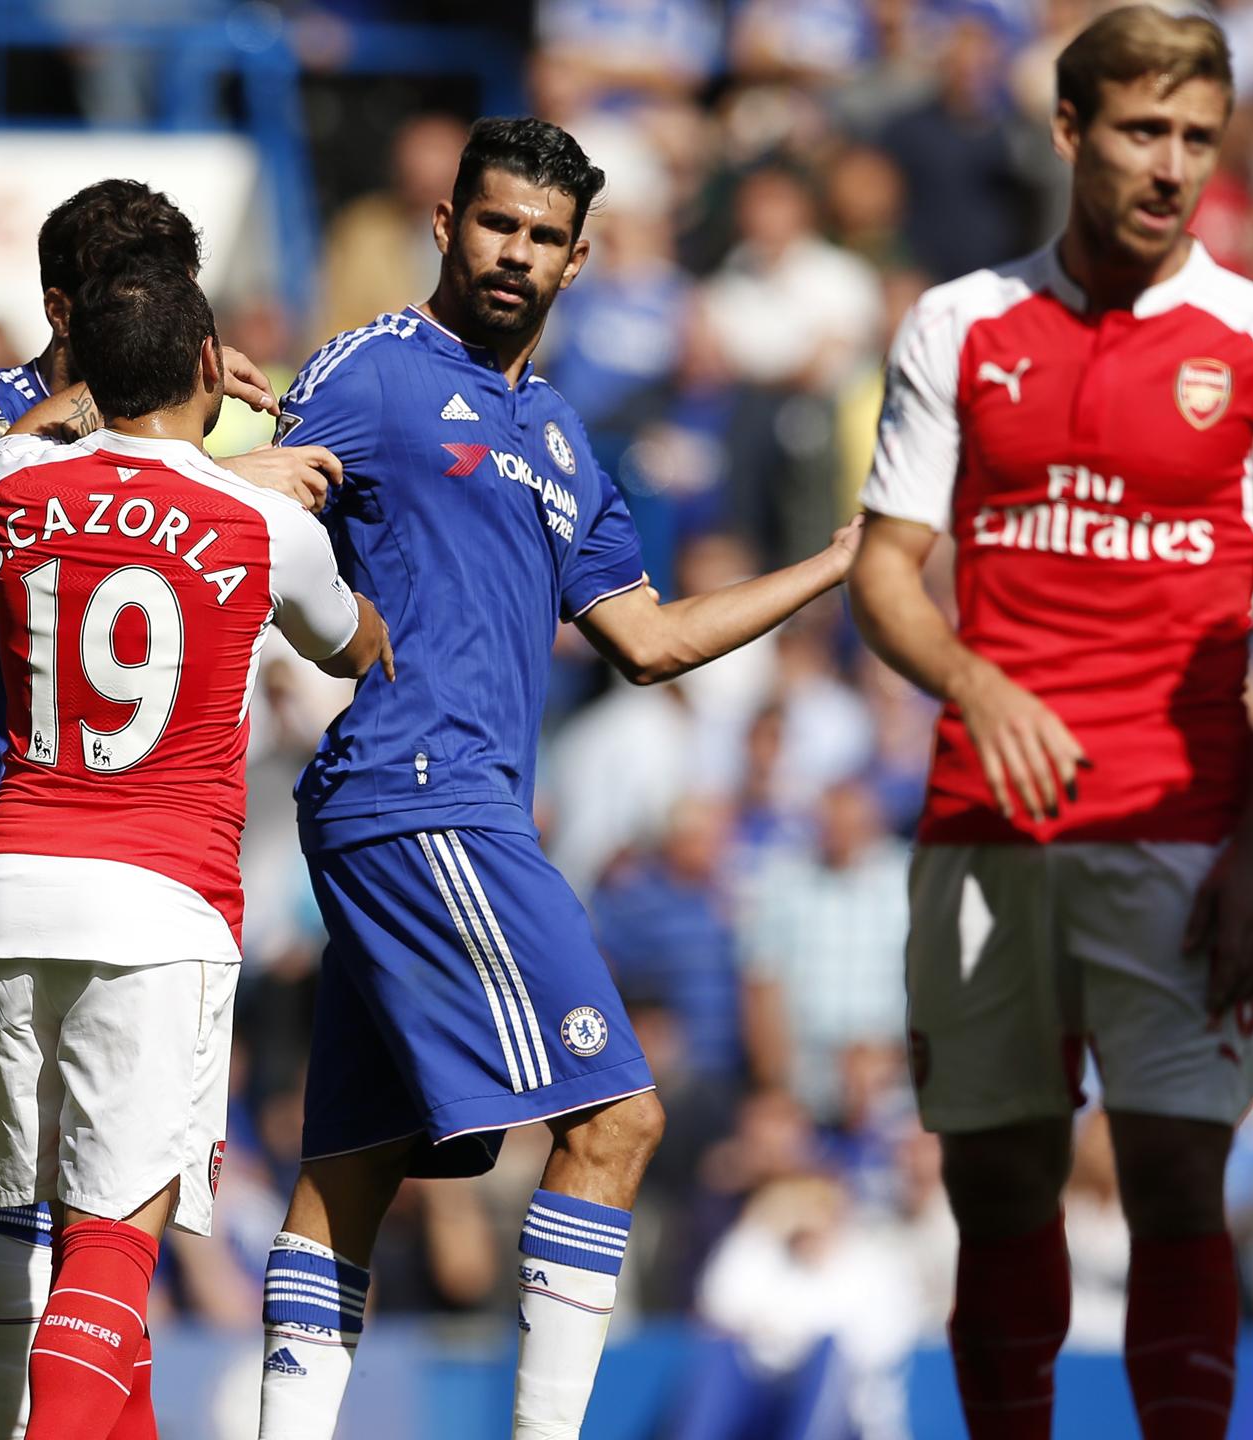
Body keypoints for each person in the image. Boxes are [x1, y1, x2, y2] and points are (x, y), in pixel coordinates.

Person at [256, 116, 859, 1440]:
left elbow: (648, 639)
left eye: (543, 236)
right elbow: (249, 496)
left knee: (350, 1170)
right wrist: (222, 445)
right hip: (421, 792)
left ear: (578, 259)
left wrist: (831, 568)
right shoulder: (375, 367)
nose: (515, 253)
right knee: (618, 1120)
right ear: (446, 226)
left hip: (430, 810)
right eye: (495, 224)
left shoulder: (565, 439)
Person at [845, 9, 1253, 1438]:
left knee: (1176, 1178)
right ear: (1067, 130)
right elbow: (885, 571)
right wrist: (978, 685)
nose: (1171, 167)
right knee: (997, 1185)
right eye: (1141, 130)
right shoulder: (959, 321)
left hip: (1180, 826)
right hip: (983, 826)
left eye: (1197, 138)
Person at [0, 178, 345, 1440]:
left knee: (66, 1202)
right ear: (65, 309)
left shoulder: (153, 441)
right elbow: (38, 506)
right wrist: (207, 454)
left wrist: (204, 425)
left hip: (44, 853)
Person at [0, 263, 392, 1440]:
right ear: (211, 365)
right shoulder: (264, 526)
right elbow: (353, 644)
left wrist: (104, 401)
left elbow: (22, 445)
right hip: (157, 902)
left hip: (11, 887)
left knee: (50, 1223)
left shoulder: (13, 479)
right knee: (116, 1244)